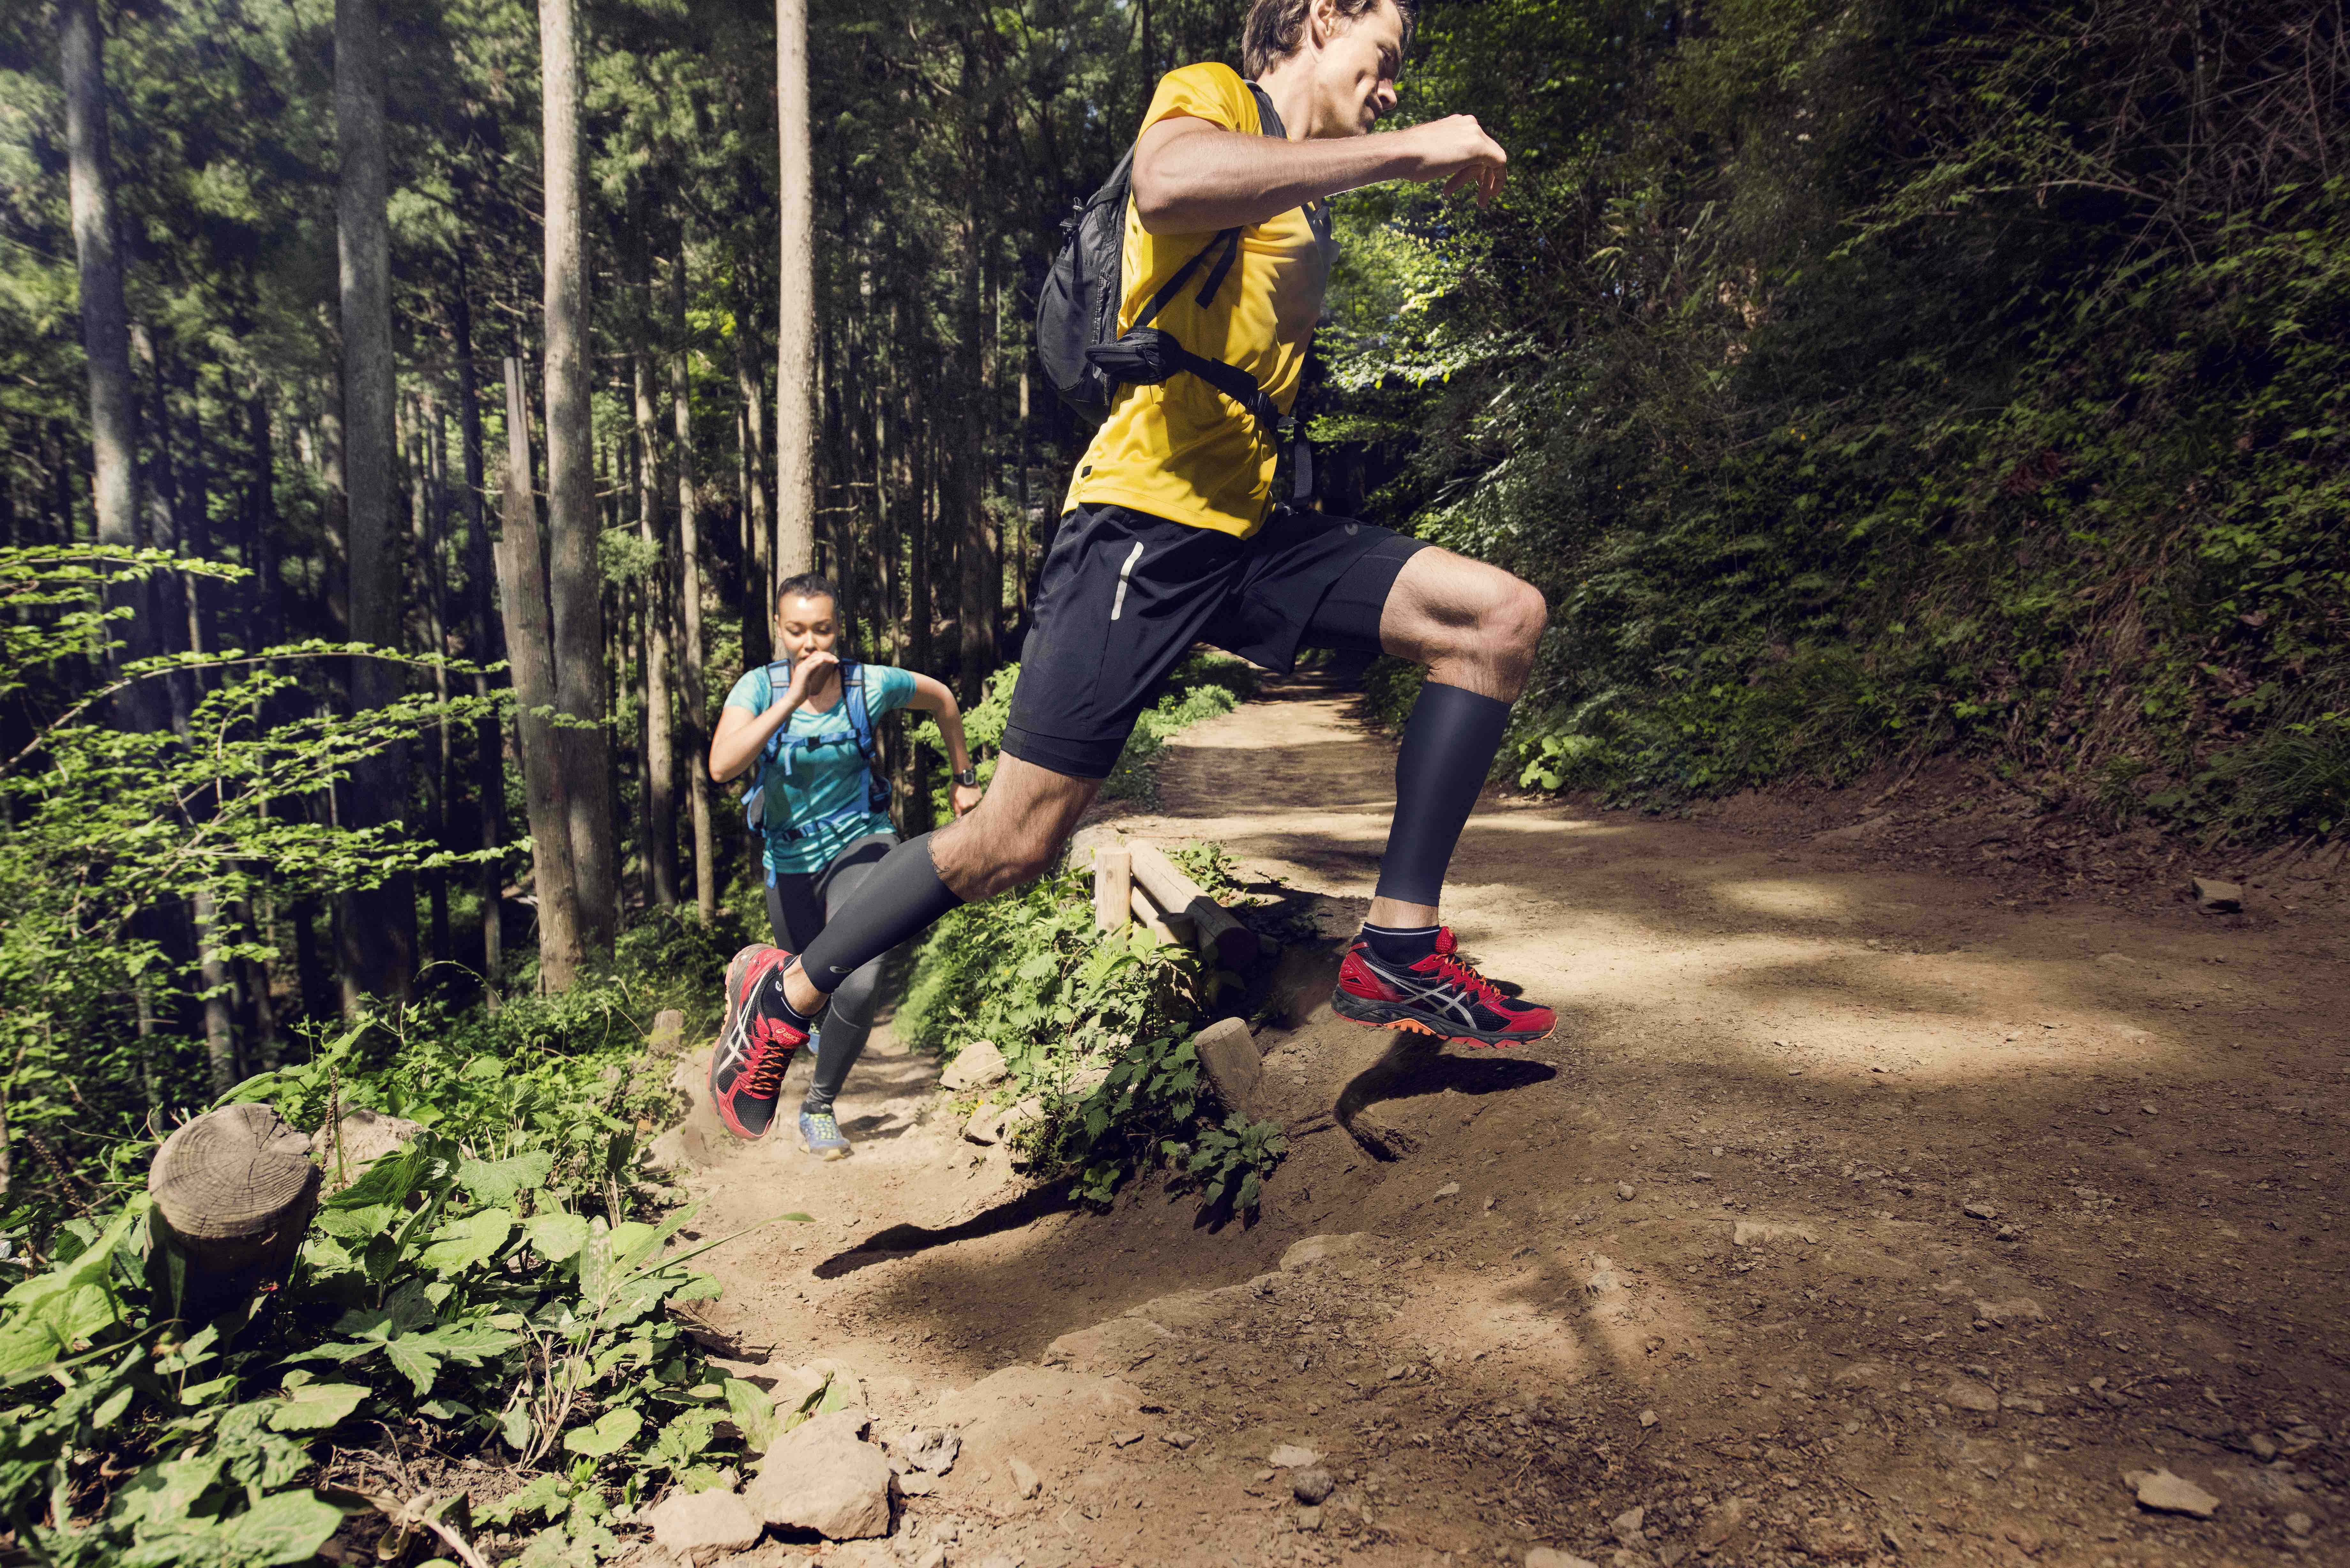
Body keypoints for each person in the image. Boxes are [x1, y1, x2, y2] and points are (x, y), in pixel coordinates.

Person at [710, 0, 1550, 1143]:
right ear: (1315, 19)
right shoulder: (1211, 95)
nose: (1395, 89)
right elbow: (1168, 185)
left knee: (1496, 619)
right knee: (1013, 841)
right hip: (1143, 525)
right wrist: (1412, 152)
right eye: (1385, 57)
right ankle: (789, 992)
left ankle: (1398, 949)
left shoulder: (1300, 186)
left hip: (1254, 528)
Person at [705, 573, 982, 1153]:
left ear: (840, 629)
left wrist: (964, 779)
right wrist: (790, 698)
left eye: (823, 630)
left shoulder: (869, 683)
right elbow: (723, 765)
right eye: (798, 631)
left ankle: (820, 1105)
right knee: (808, 988)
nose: (811, 643)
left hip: (862, 842)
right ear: (779, 631)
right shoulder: (757, 689)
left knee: (858, 979)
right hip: (790, 859)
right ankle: (773, 1046)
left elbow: (944, 701)